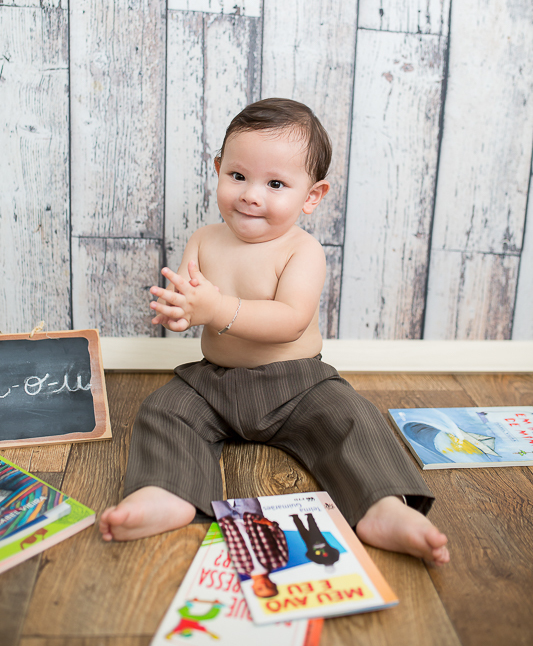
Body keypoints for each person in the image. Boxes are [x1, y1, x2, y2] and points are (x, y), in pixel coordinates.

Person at [100, 98, 449, 566]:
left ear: (312, 196)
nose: (251, 194)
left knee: (353, 419)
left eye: (276, 183)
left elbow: (290, 321)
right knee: (164, 411)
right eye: (238, 176)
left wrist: (217, 308)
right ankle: (167, 492)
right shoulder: (204, 239)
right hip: (214, 381)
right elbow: (191, 298)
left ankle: (383, 505)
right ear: (219, 169)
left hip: (298, 384)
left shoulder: (302, 251)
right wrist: (181, 311)